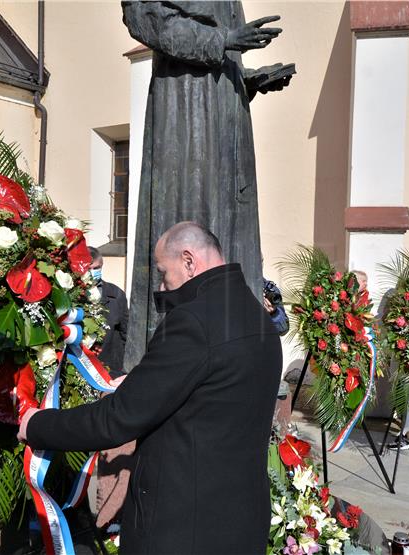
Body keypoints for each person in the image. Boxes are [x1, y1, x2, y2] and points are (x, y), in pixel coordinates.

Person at [18, 222, 282, 554]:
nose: (162, 285)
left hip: (182, 528)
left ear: (188, 261)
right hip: (238, 522)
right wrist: (145, 380)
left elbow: (116, 420)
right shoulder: (255, 315)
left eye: (163, 272)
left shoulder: (193, 321)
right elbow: (215, 390)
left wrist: (37, 424)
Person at [121, 1, 294, 373]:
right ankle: (179, 357)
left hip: (225, 106)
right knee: (194, 207)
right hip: (186, 101)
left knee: (233, 220)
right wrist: (224, 39)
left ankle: (235, 353)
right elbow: (145, 17)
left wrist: (248, 79)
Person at [89, 247, 129, 378]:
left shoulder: (116, 294)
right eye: (89, 268)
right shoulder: (73, 294)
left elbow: (126, 332)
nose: (92, 272)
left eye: (96, 268)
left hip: (111, 367)